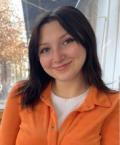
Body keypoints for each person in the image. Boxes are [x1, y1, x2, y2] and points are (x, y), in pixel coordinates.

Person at [0, 6, 119, 145]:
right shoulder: (21, 94)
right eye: (45, 49)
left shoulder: (113, 104)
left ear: (86, 40)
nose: (57, 57)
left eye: (67, 41)